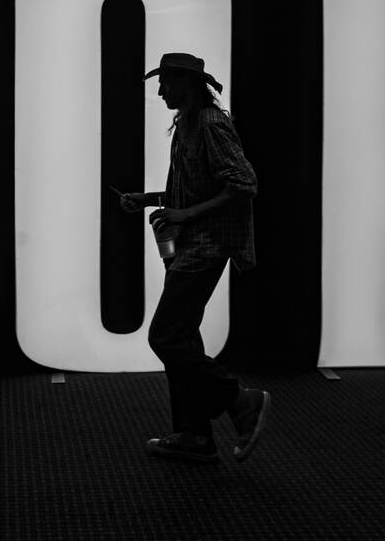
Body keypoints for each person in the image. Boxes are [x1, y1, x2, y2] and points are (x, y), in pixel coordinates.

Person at [119, 52, 270, 463]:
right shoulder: (184, 125)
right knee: (183, 339)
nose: (160, 89)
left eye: (165, 82)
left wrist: (185, 215)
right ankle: (194, 435)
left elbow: (243, 184)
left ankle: (240, 399)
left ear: (186, 82)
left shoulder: (210, 123)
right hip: (191, 244)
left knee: (165, 337)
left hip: (208, 246)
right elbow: (192, 190)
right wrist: (148, 199)